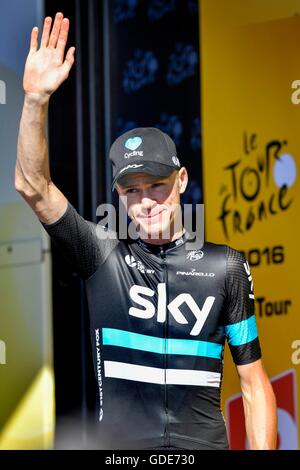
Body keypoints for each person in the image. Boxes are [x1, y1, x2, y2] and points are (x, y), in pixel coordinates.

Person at [15, 12, 277, 450]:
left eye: (157, 184)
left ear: (182, 180)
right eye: (132, 189)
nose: (147, 199)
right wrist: (36, 100)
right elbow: (32, 187)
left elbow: (253, 386)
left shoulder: (224, 266)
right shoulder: (100, 253)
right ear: (117, 195)